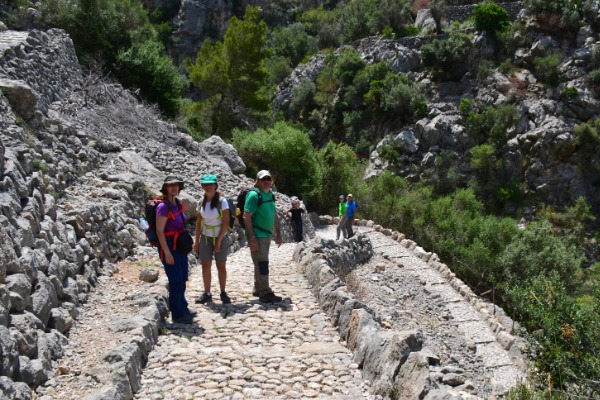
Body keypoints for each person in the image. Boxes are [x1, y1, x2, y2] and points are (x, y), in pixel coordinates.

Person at [156, 175, 196, 324]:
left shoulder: (177, 203)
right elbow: (160, 231)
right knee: (175, 280)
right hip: (169, 246)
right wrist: (166, 253)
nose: (174, 188)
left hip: (179, 245)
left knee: (183, 277)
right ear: (165, 188)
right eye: (170, 185)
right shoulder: (162, 207)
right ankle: (177, 313)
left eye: (176, 185)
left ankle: (183, 306)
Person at [244, 170, 283, 303]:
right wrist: (252, 237)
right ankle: (265, 293)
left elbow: (274, 214)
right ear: (257, 181)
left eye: (268, 179)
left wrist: (278, 233)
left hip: (266, 234)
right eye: (263, 179)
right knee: (263, 264)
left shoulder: (270, 194)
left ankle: (258, 288)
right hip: (258, 234)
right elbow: (246, 216)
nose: (266, 181)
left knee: (260, 262)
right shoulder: (254, 195)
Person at [193, 174, 231, 305]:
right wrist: (196, 241)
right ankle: (207, 293)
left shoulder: (222, 201)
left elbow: (225, 222)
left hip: (220, 236)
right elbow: (198, 223)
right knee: (205, 265)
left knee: (221, 265)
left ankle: (223, 292)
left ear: (216, 185)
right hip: (206, 236)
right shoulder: (201, 202)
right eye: (205, 184)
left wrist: (219, 241)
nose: (208, 187)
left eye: (210, 184)